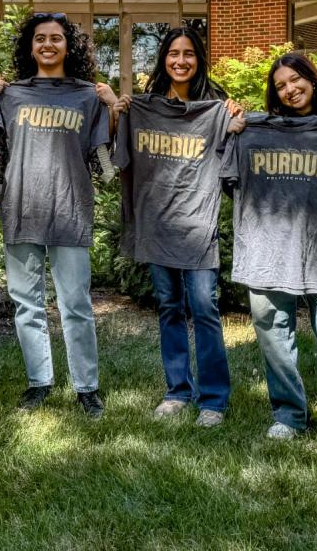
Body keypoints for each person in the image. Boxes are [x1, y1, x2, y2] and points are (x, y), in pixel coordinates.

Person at [224, 52, 317, 453]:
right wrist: (234, 133)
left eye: (295, 80)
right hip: (266, 246)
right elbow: (228, 182)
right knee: (274, 333)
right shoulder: (254, 130)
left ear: (312, 79)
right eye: (280, 85)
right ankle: (288, 415)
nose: (290, 89)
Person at [0, 12, 118, 418]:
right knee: (27, 304)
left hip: (70, 209)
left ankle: (86, 387)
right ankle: (39, 381)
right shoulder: (12, 95)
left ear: (68, 45)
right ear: (30, 45)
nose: (47, 45)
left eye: (56, 38)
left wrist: (112, 106)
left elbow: (107, 150)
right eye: (40, 38)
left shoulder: (86, 96)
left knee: (75, 302)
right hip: (22, 208)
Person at [111, 27, 239, 427]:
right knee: (169, 307)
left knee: (204, 307)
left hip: (197, 226)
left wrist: (235, 123)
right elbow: (114, 160)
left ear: (198, 61)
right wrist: (119, 115)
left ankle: (214, 399)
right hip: (157, 224)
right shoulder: (143, 109)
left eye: (188, 54)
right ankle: (177, 391)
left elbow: (234, 157)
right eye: (173, 53)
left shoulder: (214, 111)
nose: (180, 61)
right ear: (163, 59)